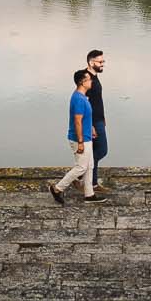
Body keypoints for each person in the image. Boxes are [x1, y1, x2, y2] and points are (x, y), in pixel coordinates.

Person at [51, 69, 105, 204]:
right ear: (82, 82)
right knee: (81, 167)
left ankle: (89, 195)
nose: (91, 81)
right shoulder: (79, 99)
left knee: (90, 165)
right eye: (89, 79)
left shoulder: (82, 96)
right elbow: (77, 121)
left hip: (86, 137)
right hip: (79, 139)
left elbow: (85, 118)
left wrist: (91, 127)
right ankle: (57, 188)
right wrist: (80, 141)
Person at [85, 48, 111, 190]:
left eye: (103, 61)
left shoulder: (94, 75)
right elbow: (85, 103)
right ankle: (81, 175)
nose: (102, 64)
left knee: (95, 151)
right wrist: (91, 125)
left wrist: (103, 116)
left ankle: (93, 183)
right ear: (91, 62)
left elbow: (96, 99)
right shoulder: (86, 78)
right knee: (102, 151)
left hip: (99, 119)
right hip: (93, 122)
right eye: (100, 61)